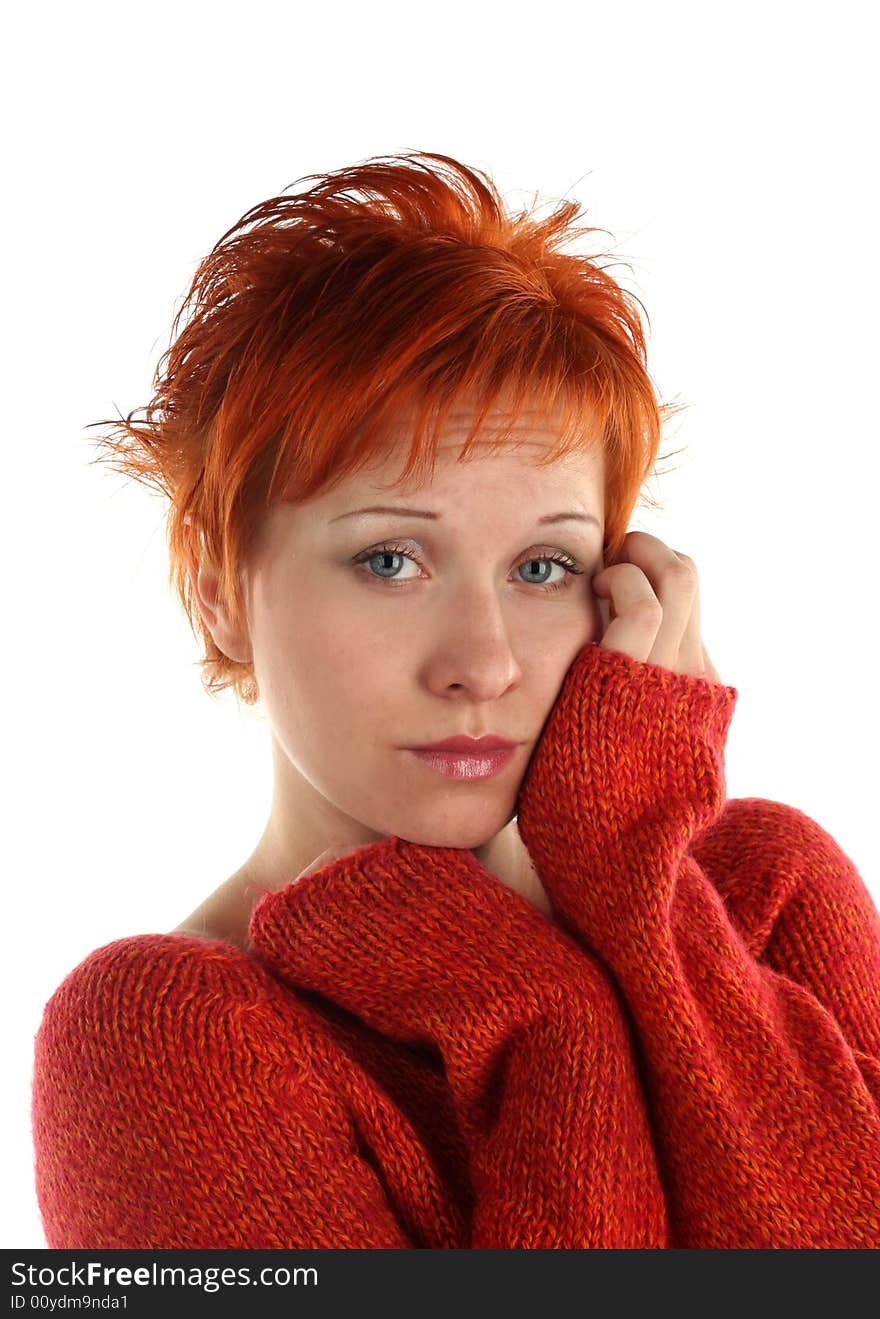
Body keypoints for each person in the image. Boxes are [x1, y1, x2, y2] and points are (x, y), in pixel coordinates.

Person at [31, 150, 880, 1249]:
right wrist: (549, 1024)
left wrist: (643, 897)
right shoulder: (161, 1032)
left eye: (541, 567)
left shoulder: (760, 893)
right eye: (389, 558)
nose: (481, 662)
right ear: (221, 597)